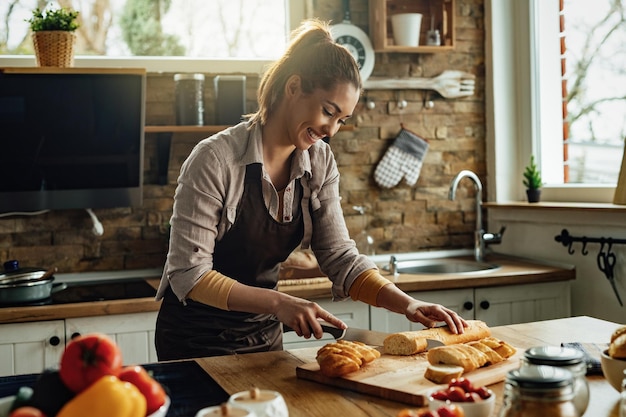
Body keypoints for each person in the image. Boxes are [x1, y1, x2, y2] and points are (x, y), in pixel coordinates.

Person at [154, 19, 467, 361]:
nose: (331, 129)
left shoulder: (318, 161)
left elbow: (339, 257)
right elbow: (189, 273)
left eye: (341, 120)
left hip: (263, 340)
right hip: (194, 343)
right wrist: (279, 302)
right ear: (293, 87)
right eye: (328, 111)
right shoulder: (215, 159)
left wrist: (408, 304)